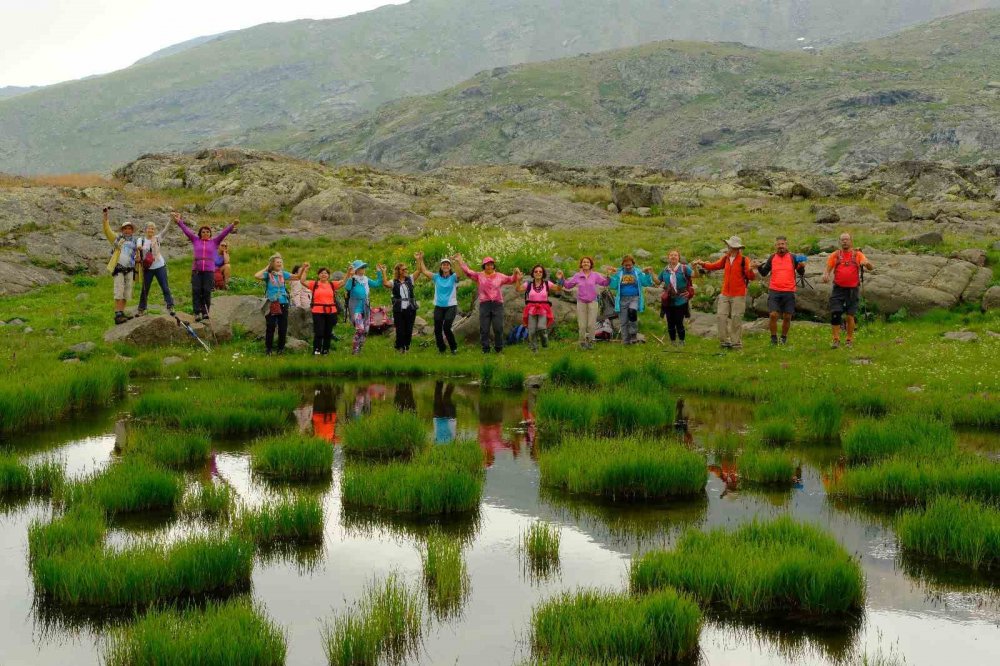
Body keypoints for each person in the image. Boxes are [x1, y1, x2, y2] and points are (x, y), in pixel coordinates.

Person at [693, 236, 757, 350]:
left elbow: (751, 277)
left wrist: (751, 269)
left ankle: (736, 344)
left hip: (739, 294)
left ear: (738, 248)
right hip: (725, 294)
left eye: (732, 246)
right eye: (729, 246)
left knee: (736, 318)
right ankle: (724, 342)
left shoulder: (744, 260)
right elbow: (714, 266)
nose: (730, 248)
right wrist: (702, 263)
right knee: (721, 317)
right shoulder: (725, 258)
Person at [173, 212, 237, 321]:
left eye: (208, 232)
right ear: (200, 233)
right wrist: (179, 221)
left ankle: (205, 312)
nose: (205, 233)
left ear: (210, 234)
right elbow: (186, 231)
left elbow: (223, 233)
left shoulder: (215, 242)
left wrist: (232, 225)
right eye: (203, 232)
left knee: (207, 291)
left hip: (209, 271)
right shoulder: (195, 240)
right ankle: (197, 312)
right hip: (197, 270)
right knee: (196, 290)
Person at [455, 254, 521, 354]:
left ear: (493, 265)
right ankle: (485, 349)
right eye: (487, 264)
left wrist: (515, 273)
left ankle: (499, 348)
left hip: (497, 304)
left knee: (498, 327)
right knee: (484, 328)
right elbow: (468, 272)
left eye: (491, 264)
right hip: (484, 304)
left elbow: (511, 279)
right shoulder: (479, 275)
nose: (489, 266)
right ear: (484, 266)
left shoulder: (500, 276)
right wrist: (460, 261)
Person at [822, 232, 874, 349]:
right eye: (842, 240)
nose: (844, 241)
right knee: (835, 313)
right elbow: (828, 269)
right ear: (839, 242)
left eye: (847, 239)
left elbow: (870, 267)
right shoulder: (835, 255)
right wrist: (825, 275)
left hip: (852, 289)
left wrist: (867, 264)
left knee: (850, 316)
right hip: (838, 289)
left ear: (851, 241)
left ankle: (849, 340)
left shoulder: (858, 254)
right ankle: (836, 340)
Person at [756, 236, 808, 346]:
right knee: (773, 315)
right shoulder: (772, 258)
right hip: (774, 290)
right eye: (778, 244)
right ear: (776, 246)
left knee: (787, 316)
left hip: (789, 290)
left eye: (782, 244)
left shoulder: (793, 257)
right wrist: (759, 266)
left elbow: (801, 273)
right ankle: (773, 338)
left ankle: (783, 338)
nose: (781, 246)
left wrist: (801, 267)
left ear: (786, 245)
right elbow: (764, 273)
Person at [254, 254, 306, 355]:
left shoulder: (283, 274)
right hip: (272, 303)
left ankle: (280, 349)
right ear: (272, 264)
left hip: (283, 302)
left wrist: (303, 268)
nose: (279, 263)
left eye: (281, 262)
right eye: (277, 262)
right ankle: (268, 349)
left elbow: (298, 277)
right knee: (271, 326)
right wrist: (266, 267)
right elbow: (256, 276)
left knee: (283, 327)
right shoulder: (267, 275)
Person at [415, 252, 461, 354]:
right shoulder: (436, 277)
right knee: (437, 329)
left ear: (449, 267)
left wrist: (456, 261)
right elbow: (424, 271)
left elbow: (459, 274)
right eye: (443, 264)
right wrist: (420, 259)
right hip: (439, 306)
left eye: (447, 264)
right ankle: (442, 349)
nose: (445, 266)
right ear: (441, 266)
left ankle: (454, 348)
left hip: (451, 306)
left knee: (447, 327)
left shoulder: (453, 277)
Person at [102, 207, 140, 325]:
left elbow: (138, 254)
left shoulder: (136, 241)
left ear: (132, 230)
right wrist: (105, 217)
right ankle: (117, 313)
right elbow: (107, 230)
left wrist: (139, 258)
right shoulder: (117, 238)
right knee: (119, 290)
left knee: (127, 292)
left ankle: (122, 312)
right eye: (125, 228)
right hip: (118, 268)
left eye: (129, 228)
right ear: (122, 230)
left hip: (130, 269)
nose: (127, 230)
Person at [563, 256, 610, 349]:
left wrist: (608, 277)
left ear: (591, 264)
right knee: (582, 325)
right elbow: (568, 285)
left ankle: (591, 342)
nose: (585, 264)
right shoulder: (577, 275)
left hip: (593, 302)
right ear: (581, 264)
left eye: (588, 262)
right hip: (581, 302)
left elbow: (604, 283)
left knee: (591, 324)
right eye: (584, 262)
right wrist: (561, 279)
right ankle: (582, 343)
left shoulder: (595, 275)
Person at [516, 264, 565, 352]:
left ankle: (545, 344)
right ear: (533, 273)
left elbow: (558, 289)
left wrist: (560, 279)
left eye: (540, 271)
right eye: (536, 271)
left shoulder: (547, 283)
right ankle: (534, 349)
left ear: (543, 273)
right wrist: (518, 280)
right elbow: (518, 289)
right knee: (531, 330)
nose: (538, 273)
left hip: (543, 308)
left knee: (542, 327)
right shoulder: (529, 284)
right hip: (531, 308)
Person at [302, 266, 350, 356]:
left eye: (326, 273)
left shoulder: (332, 285)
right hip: (318, 312)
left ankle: (325, 351)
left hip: (331, 312)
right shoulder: (314, 284)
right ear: (318, 275)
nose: (324, 275)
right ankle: (316, 351)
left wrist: (348, 272)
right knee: (319, 332)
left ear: (328, 275)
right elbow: (303, 281)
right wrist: (305, 271)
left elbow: (343, 282)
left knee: (328, 333)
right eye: (321, 273)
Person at [608, 255, 654, 345]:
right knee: (623, 321)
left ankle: (633, 334)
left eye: (630, 265)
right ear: (622, 265)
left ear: (633, 264)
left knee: (632, 311)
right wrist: (611, 276)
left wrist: (648, 274)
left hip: (634, 297)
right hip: (622, 299)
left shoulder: (638, 272)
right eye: (626, 265)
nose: (628, 267)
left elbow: (646, 283)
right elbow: (613, 286)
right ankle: (625, 341)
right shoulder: (619, 273)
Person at [653, 250, 694, 346]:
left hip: (681, 299)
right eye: (671, 255)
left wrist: (695, 268)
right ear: (668, 258)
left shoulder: (684, 268)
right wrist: (651, 273)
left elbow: (695, 275)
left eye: (675, 255)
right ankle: (672, 341)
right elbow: (658, 282)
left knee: (679, 321)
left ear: (678, 257)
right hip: (668, 300)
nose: (673, 257)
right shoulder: (665, 270)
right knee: (670, 322)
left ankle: (682, 341)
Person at [344, 260, 385, 355]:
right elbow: (347, 288)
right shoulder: (353, 279)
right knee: (360, 329)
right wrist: (350, 276)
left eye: (363, 267)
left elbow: (377, 284)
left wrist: (379, 272)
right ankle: (355, 350)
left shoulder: (366, 279)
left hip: (365, 307)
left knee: (366, 330)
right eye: (361, 268)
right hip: (355, 307)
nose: (363, 269)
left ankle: (359, 348)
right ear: (356, 270)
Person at [136, 221, 175, 317]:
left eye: (153, 228)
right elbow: (138, 248)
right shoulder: (140, 240)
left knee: (165, 286)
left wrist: (171, 220)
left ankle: (170, 306)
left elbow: (166, 230)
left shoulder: (157, 238)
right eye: (149, 228)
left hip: (160, 266)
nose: (151, 230)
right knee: (145, 288)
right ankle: (141, 308)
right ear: (145, 229)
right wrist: (139, 248)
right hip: (147, 268)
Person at [383, 262, 420, 353]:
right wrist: (384, 272)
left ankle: (406, 347)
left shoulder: (410, 279)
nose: (405, 271)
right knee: (400, 330)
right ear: (398, 271)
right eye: (403, 269)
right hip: (398, 309)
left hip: (410, 308)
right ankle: (399, 347)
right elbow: (386, 284)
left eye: (406, 269)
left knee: (409, 330)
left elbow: (419, 271)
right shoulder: (394, 282)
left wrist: (419, 259)